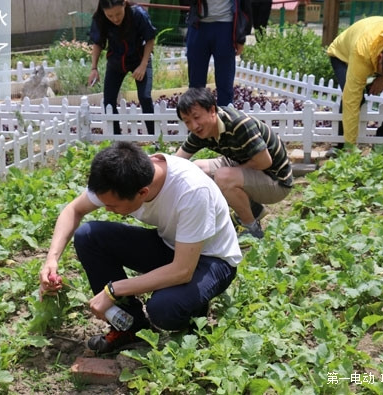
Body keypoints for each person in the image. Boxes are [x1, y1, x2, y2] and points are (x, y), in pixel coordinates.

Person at [39, 141, 242, 353]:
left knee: (164, 309)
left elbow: (183, 270)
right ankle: (130, 327)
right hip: (171, 245)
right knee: (88, 236)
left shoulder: (191, 191)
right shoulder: (122, 176)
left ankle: (194, 316)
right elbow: (74, 210)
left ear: (143, 193)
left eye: (113, 206)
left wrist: (112, 291)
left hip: (211, 260)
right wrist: (51, 260)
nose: (107, 209)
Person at [175, 87, 293, 240]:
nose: (194, 126)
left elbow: (265, 162)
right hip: (248, 165)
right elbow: (177, 161)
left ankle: (252, 228)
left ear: (212, 110)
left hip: (276, 180)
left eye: (196, 117)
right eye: (187, 122)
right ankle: (253, 209)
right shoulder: (201, 131)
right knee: (197, 169)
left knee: (223, 176)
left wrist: (231, 173)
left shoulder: (239, 124)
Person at [325, 16, 383, 159]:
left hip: (377, 41)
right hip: (343, 56)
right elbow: (351, 101)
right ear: (381, 58)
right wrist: (351, 147)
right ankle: (342, 147)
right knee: (355, 97)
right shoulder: (361, 53)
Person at [88, 0, 157, 135]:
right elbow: (98, 43)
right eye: (110, 16)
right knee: (109, 101)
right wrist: (94, 68)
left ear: (124, 4)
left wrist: (143, 65)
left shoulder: (138, 14)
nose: (115, 19)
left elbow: (150, 38)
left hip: (140, 59)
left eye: (118, 14)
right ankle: (116, 140)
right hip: (116, 61)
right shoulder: (99, 18)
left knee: (145, 97)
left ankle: (155, 138)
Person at [185, 0, 252, 106]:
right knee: (195, 85)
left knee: (225, 83)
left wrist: (241, 38)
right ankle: (197, 119)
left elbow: (245, 6)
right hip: (198, 26)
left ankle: (225, 119)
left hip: (226, 27)